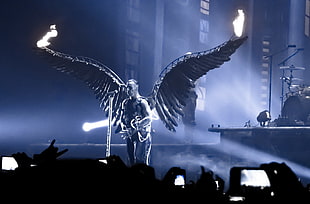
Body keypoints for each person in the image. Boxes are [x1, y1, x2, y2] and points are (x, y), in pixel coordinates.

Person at [116, 79, 153, 166]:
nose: (128, 90)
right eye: (127, 88)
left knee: (140, 160)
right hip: (130, 136)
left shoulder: (142, 102)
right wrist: (123, 127)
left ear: (136, 87)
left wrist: (137, 126)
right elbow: (123, 118)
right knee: (130, 161)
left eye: (130, 88)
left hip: (142, 136)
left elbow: (149, 118)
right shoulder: (125, 103)